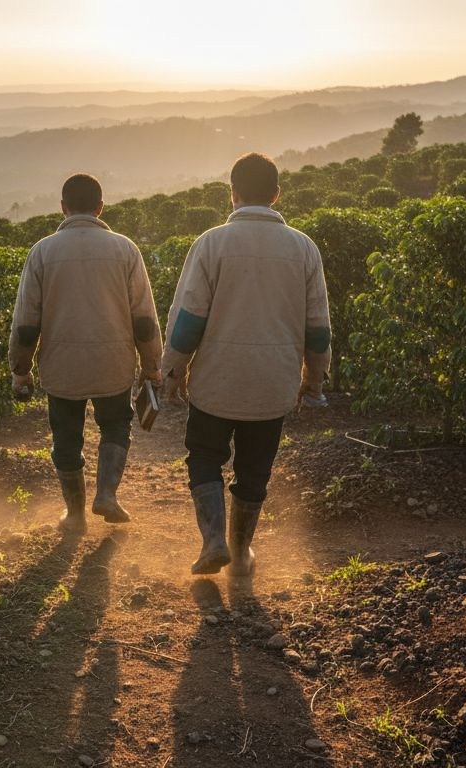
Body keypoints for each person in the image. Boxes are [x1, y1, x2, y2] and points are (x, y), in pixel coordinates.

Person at [161, 152, 331, 576]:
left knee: (204, 456)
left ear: (232, 193)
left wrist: (174, 369)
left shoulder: (212, 243)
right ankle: (240, 552)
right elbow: (318, 326)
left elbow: (188, 320)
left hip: (217, 380)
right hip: (273, 384)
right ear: (276, 194)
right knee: (255, 468)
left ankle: (213, 540)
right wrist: (315, 377)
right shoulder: (303, 248)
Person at [9, 173, 163, 534]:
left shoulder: (43, 252)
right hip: (114, 363)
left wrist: (21, 368)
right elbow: (144, 319)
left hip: (62, 368)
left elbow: (26, 322)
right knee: (115, 426)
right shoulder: (125, 249)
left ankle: (75, 514)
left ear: (63, 208)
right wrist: (152, 366)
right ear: (100, 208)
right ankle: (106, 494)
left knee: (66, 436)